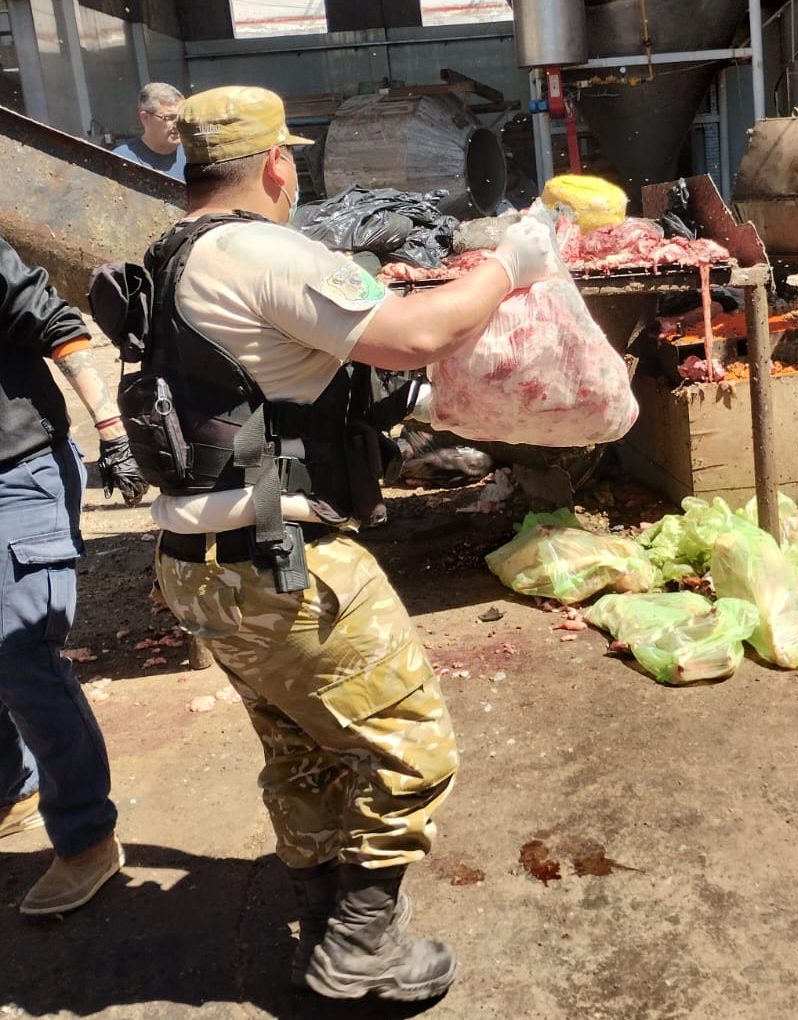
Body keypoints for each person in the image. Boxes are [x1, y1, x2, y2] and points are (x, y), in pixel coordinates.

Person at [138, 85, 562, 1003]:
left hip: (200, 566)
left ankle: (325, 909)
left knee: (302, 748)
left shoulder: (172, 254)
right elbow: (414, 337)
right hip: (282, 563)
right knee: (413, 745)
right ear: (279, 166)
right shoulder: (259, 247)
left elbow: (265, 386)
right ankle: (362, 945)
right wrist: (511, 268)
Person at [0, 237, 148, 916]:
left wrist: (112, 429)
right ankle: (13, 790)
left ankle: (88, 837)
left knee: (20, 653)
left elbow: (58, 324)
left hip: (16, 473)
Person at [111, 82, 186, 181]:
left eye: (182, 117)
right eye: (169, 118)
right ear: (145, 118)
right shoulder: (122, 160)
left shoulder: (196, 156)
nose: (178, 124)